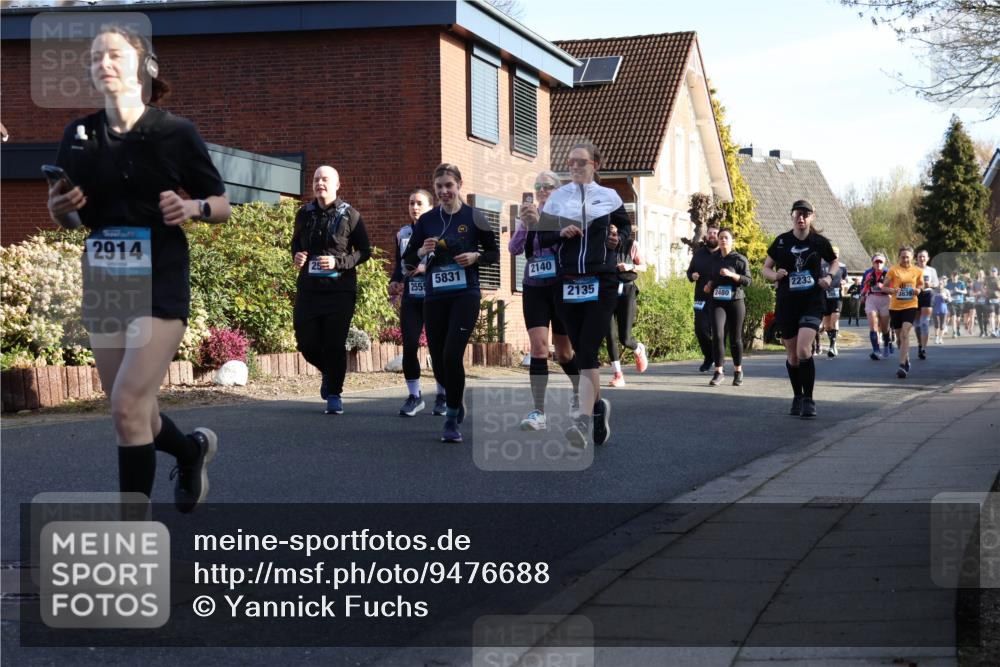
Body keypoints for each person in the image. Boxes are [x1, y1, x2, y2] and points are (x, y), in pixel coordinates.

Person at [47, 25, 230, 512]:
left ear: (143, 68)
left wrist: (194, 210)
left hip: (160, 278)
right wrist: (58, 206)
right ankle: (190, 450)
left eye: (114, 55)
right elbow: (70, 220)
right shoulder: (79, 135)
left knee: (128, 404)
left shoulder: (175, 132)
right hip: (107, 280)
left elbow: (222, 203)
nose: (103, 64)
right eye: (95, 59)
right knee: (132, 413)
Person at [538, 142, 630, 448]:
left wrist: (619, 239)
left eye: (581, 162)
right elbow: (541, 234)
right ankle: (598, 407)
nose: (575, 167)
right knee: (578, 352)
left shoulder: (610, 196)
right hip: (567, 282)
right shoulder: (558, 198)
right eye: (571, 162)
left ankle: (581, 419)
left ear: (596, 164)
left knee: (588, 350)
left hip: (601, 280)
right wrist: (559, 233)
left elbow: (627, 230)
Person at [402, 164, 499, 443]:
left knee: (451, 355)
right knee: (439, 361)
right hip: (434, 296)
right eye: (439, 187)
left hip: (465, 294)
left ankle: (451, 418)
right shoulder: (427, 220)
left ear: (459, 185)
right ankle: (456, 396)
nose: (444, 191)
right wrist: (421, 250)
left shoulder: (474, 216)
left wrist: (476, 257)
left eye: (449, 185)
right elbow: (408, 261)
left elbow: (493, 253)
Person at [292, 166, 371, 414]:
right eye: (316, 180)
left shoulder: (351, 215)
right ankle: (330, 371)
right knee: (306, 342)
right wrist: (297, 255)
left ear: (337, 185)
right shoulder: (304, 213)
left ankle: (335, 393)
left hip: (340, 291)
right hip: (309, 290)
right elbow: (295, 243)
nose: (320, 183)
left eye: (325, 179)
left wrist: (339, 262)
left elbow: (364, 251)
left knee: (334, 343)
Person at [510, 170, 581, 430]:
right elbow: (514, 249)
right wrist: (526, 225)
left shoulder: (565, 215)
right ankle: (538, 412)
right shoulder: (529, 216)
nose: (542, 190)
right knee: (539, 348)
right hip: (534, 288)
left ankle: (578, 391)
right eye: (538, 186)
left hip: (560, 288)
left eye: (548, 187)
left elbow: (570, 245)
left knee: (564, 353)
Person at [762, 199, 838, 419]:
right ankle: (797, 396)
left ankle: (809, 399)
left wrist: (829, 277)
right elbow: (765, 268)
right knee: (793, 356)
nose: (801, 218)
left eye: (806, 214)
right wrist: (774, 275)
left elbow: (834, 261)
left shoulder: (819, 242)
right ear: (792, 216)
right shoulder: (782, 241)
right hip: (787, 303)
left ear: (811, 217)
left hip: (812, 301)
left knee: (804, 349)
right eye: (798, 214)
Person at [388, 188, 445, 417]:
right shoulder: (402, 234)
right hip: (412, 296)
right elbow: (398, 266)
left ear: (431, 207)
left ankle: (442, 395)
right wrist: (394, 282)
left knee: (438, 348)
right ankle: (414, 396)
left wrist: (426, 267)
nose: (415, 207)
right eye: (411, 203)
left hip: (436, 295)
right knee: (410, 346)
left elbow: (447, 259)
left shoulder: (440, 230)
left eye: (420, 203)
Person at [705, 228, 752, 386]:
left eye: (726, 238)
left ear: (732, 241)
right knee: (717, 335)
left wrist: (732, 275)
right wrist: (709, 285)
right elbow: (712, 277)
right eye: (720, 238)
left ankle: (738, 370)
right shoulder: (714, 259)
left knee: (735, 338)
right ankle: (719, 371)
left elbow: (748, 281)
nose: (723, 240)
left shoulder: (739, 259)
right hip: (717, 300)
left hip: (735, 301)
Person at [606, 224, 648, 387]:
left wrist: (630, 266)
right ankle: (618, 374)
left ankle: (638, 348)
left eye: (615, 225)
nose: (612, 229)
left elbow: (644, 266)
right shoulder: (601, 244)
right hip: (607, 291)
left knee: (625, 338)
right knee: (609, 334)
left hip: (627, 289)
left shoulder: (631, 244)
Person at [884, 246, 923, 378]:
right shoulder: (893, 270)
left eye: (907, 257)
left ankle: (901, 365)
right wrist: (892, 291)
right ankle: (906, 359)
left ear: (912, 257)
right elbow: (884, 287)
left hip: (911, 305)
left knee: (905, 333)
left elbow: (920, 284)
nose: (905, 259)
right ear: (899, 257)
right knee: (900, 340)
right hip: (895, 307)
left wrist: (918, 290)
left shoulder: (917, 271)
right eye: (903, 257)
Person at [686, 224, 720, 372]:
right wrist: (692, 276)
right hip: (701, 298)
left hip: (720, 299)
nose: (712, 235)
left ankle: (718, 362)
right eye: (710, 233)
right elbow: (689, 272)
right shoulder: (699, 254)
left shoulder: (724, 254)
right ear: (706, 236)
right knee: (700, 329)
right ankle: (709, 356)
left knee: (718, 332)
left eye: (715, 233)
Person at [861, 253, 892, 360]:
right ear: (873, 263)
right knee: (873, 323)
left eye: (880, 262)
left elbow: (894, 290)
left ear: (884, 263)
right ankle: (876, 350)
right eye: (876, 262)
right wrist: (863, 294)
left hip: (885, 300)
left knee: (884, 327)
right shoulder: (868, 274)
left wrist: (883, 287)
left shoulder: (889, 273)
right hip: (872, 299)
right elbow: (864, 288)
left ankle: (887, 345)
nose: (878, 264)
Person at [819, 247, 848, 357]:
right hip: (824, 295)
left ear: (839, 254)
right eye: (833, 253)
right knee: (827, 325)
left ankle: (832, 346)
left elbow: (846, 278)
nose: (834, 255)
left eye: (836, 253)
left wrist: (844, 282)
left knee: (834, 319)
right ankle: (833, 344)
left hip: (836, 295)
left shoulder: (842, 266)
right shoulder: (822, 265)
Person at [914, 249, 939, 359]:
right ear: (917, 258)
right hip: (915, 296)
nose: (922, 258)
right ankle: (920, 344)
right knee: (917, 325)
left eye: (924, 256)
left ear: (928, 258)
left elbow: (936, 283)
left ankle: (923, 349)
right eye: (920, 256)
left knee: (924, 323)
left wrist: (930, 284)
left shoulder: (932, 270)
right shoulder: (913, 269)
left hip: (928, 295)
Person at [946, 270, 968, 337]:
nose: (954, 277)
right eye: (953, 275)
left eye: (956, 275)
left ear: (958, 276)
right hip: (952, 303)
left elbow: (965, 292)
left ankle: (958, 329)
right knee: (953, 317)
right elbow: (946, 293)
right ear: (951, 276)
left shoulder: (961, 283)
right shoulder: (948, 284)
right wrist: (951, 292)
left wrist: (958, 290)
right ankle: (954, 332)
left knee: (958, 319)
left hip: (960, 302)